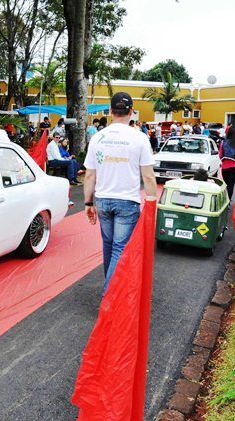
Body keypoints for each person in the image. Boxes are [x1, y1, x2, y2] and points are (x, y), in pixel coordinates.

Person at [83, 92, 157, 294]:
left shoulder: (98, 138)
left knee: (109, 245)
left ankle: (112, 289)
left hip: (103, 200)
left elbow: (90, 175)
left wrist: (88, 203)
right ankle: (110, 295)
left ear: (111, 111)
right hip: (127, 202)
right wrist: (152, 203)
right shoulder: (140, 138)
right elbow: (149, 177)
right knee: (119, 248)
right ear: (131, 112)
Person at [219, 124, 235, 201]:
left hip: (224, 168)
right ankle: (228, 201)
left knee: (226, 185)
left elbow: (220, 156)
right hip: (234, 168)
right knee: (231, 185)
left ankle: (224, 201)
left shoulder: (223, 142)